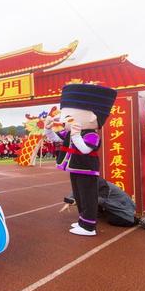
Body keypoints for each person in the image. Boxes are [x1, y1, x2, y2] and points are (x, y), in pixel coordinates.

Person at [45, 83, 117, 237]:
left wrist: (76, 135)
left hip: (87, 169)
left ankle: (89, 226)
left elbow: (85, 149)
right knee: (78, 195)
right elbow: (54, 138)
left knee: (88, 196)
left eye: (70, 117)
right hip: (75, 168)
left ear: (92, 117)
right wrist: (48, 129)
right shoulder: (71, 133)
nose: (65, 121)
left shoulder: (91, 134)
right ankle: (82, 220)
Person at [62, 177, 145, 231]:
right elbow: (77, 191)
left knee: (113, 220)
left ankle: (138, 220)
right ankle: (102, 213)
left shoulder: (103, 186)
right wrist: (69, 200)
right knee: (92, 203)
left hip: (123, 207)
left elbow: (100, 200)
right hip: (111, 204)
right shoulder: (90, 181)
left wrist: (79, 201)